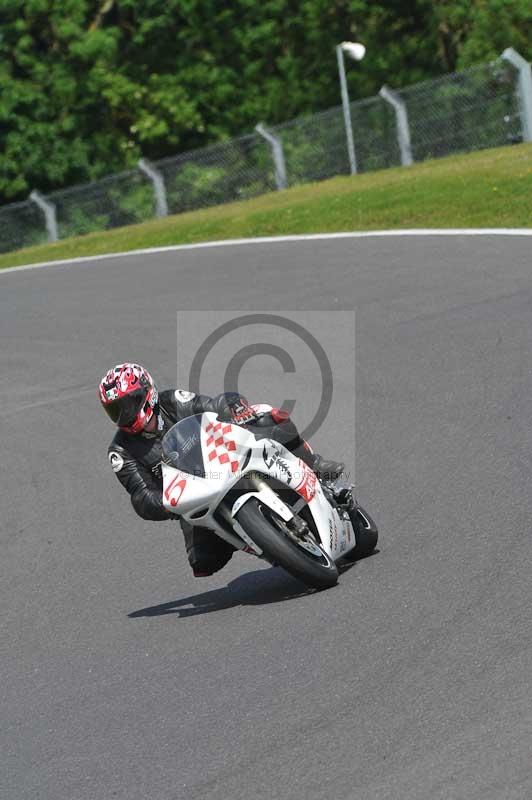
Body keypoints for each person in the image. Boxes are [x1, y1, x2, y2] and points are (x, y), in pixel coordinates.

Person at [99, 363, 344, 577]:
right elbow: (140, 495)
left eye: (128, 405)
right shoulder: (120, 451)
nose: (123, 414)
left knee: (267, 416)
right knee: (204, 562)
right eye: (115, 410)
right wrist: (165, 502)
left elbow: (211, 404)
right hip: (193, 496)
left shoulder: (171, 401)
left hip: (224, 458)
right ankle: (268, 541)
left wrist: (233, 407)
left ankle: (315, 465)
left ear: (146, 394)